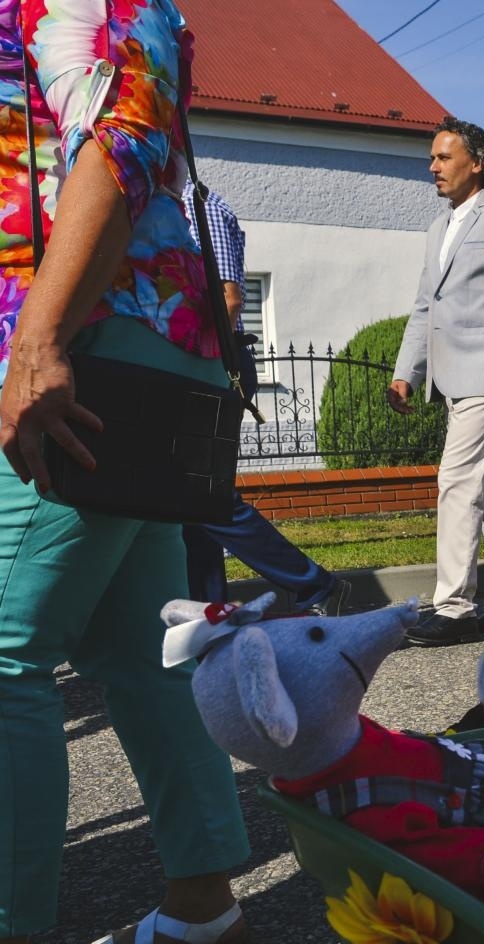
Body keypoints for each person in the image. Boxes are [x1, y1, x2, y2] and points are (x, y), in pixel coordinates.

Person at [0, 2, 251, 944]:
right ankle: (203, 896)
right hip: (131, 351)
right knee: (139, 652)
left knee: (4, 653)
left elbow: (126, 135)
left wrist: (41, 341)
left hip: (98, 351)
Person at [178, 180, 351, 617]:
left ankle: (315, 584)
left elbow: (228, 298)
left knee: (205, 498)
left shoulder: (198, 205)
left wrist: (194, 364)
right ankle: (209, 617)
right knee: (191, 508)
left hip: (213, 364)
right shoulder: (168, 204)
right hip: (203, 367)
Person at [389, 119, 484, 647]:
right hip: (453, 378)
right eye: (432, 158)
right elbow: (427, 306)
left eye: (444, 158)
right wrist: (407, 372)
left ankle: (454, 606)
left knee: (456, 481)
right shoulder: (437, 228)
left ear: (476, 163)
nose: (433, 167)